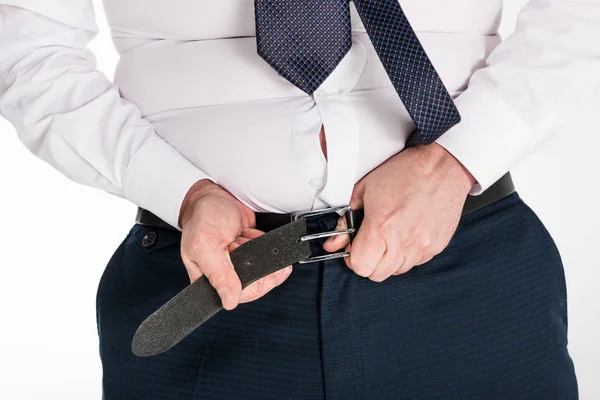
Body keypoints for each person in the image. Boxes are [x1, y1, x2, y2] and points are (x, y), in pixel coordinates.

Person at [0, 0, 596, 398]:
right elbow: (27, 45)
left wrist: (452, 162)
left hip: (466, 279)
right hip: (207, 284)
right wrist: (180, 192)